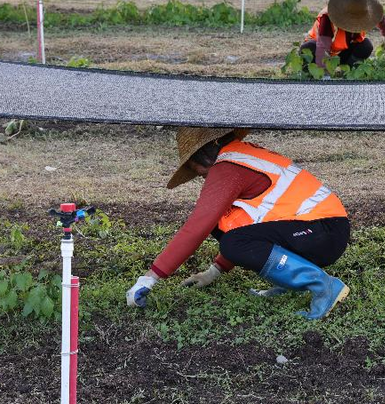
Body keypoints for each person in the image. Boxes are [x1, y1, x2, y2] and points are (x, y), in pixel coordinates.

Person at [126, 127, 351, 320]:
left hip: (323, 230)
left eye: (196, 170)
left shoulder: (228, 167)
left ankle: (325, 287)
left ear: (203, 153)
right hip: (321, 229)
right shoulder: (242, 154)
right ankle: (290, 283)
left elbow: (196, 227)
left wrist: (150, 278)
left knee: (231, 240)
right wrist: (213, 272)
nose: (202, 177)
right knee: (222, 223)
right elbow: (244, 227)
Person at [301, 0, 385, 68]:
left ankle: (350, 70)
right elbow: (321, 48)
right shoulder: (327, 18)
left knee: (366, 45)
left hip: (339, 53)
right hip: (319, 52)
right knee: (309, 47)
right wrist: (325, 76)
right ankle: (311, 71)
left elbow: (380, 17)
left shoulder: (365, 11)